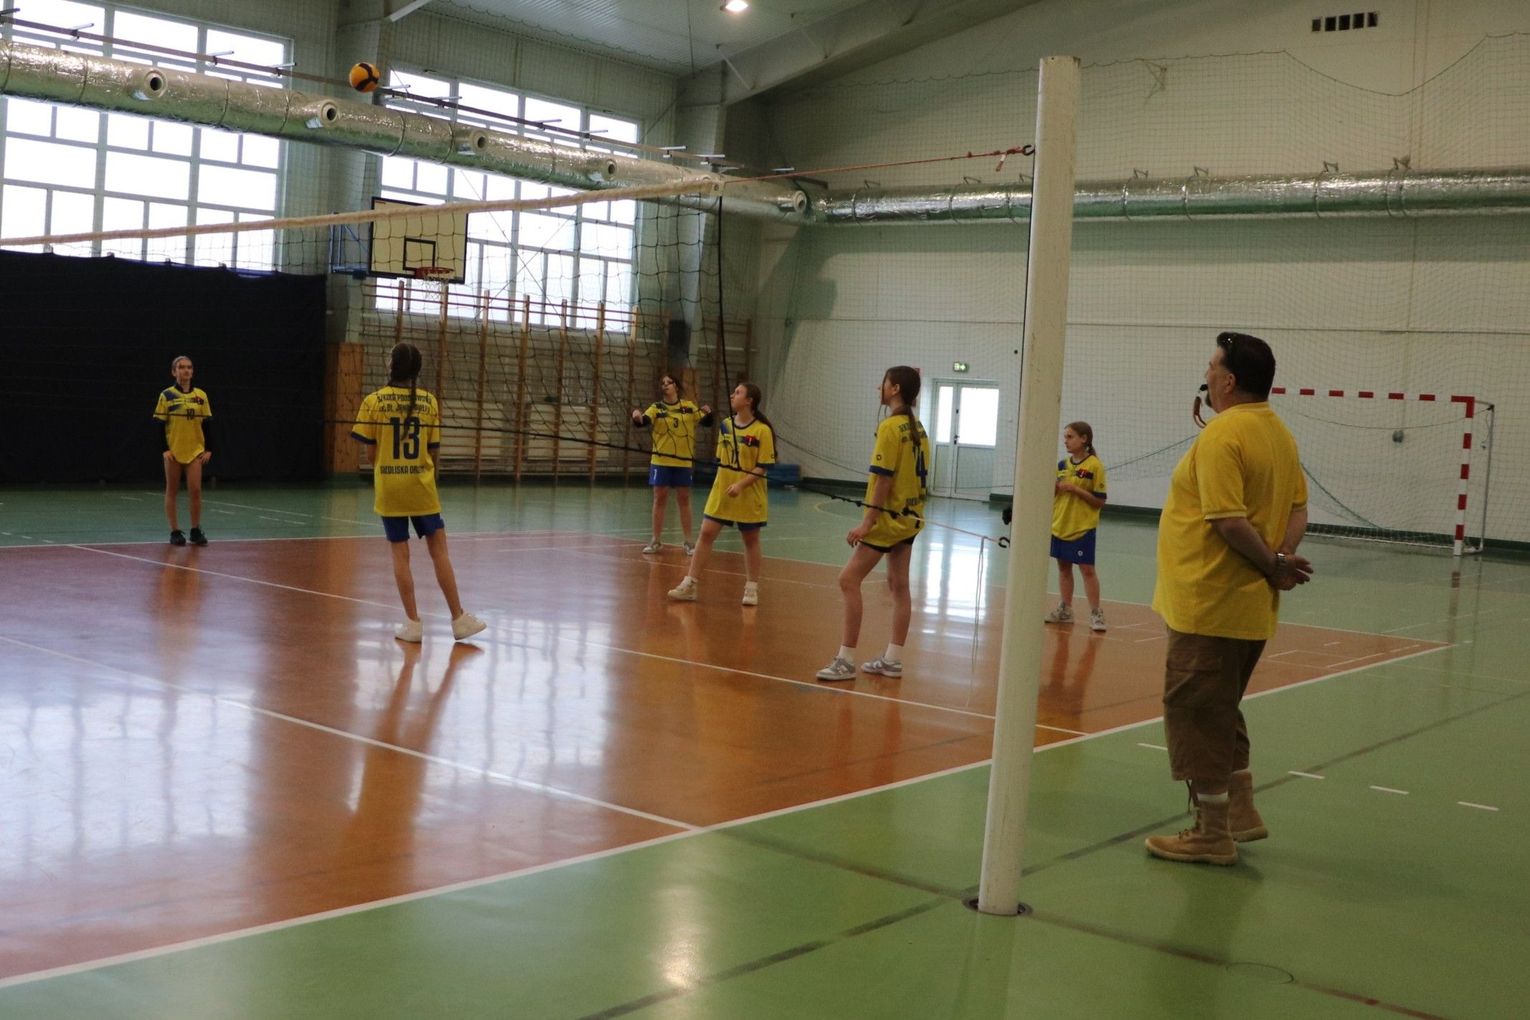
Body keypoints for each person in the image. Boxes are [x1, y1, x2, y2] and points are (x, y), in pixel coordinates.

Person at [1145, 331, 1313, 866]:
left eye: (1212, 366)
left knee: (1194, 712)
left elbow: (1227, 520)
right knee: (1220, 708)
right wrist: (1281, 559)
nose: (1207, 374)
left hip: (1209, 601)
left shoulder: (1224, 434)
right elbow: (1298, 509)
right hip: (1248, 607)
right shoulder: (1278, 433)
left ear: (1229, 380)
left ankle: (1211, 832)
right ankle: (1240, 811)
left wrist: (1272, 563)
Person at [351, 342, 486, 644]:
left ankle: (412, 623)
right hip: (422, 487)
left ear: (391, 366)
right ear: (417, 370)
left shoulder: (373, 401)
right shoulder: (429, 402)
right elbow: (433, 451)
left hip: (390, 488)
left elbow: (370, 455)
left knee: (400, 555)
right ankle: (458, 618)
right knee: (440, 551)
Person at [816, 366, 931, 682]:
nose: (878, 388)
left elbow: (883, 479)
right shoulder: (918, 428)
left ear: (894, 389)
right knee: (899, 585)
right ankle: (893, 659)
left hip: (887, 520)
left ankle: (845, 660)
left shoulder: (890, 427)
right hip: (910, 517)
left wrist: (867, 523)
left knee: (848, 580)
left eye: (883, 383)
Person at [667, 382, 775, 606]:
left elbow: (762, 467)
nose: (732, 395)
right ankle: (690, 584)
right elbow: (721, 460)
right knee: (706, 533)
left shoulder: (762, 430)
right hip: (723, 491)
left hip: (748, 493)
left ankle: (751, 588)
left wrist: (741, 485)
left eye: (738, 393)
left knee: (750, 539)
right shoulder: (726, 425)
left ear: (749, 401)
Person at [630, 374, 713, 556]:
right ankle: (655, 540)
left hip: (683, 460)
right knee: (659, 498)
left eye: (669, 382)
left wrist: (708, 412)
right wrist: (636, 417)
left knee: (684, 499)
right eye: (663, 383)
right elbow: (643, 422)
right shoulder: (656, 408)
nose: (666, 385)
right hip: (661, 460)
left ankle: (689, 542)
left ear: (676, 386)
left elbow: (707, 422)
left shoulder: (688, 407)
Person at [1044, 421, 1109, 632]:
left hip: (1082, 527)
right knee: (1063, 568)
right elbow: (1054, 493)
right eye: (1065, 437)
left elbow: (1100, 501)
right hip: (1060, 524)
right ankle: (1066, 609)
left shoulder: (1094, 466)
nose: (1066, 441)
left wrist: (1075, 489)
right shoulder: (1062, 465)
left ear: (1084, 439)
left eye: (1070, 437)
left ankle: (1096, 613)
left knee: (1087, 570)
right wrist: (1053, 487)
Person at [154, 355, 214, 547]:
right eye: (181, 367)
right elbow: (159, 424)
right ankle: (174, 531)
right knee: (172, 490)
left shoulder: (201, 396)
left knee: (195, 490)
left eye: (189, 367)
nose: (186, 370)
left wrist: (209, 448)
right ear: (174, 372)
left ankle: (195, 530)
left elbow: (208, 423)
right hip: (174, 451)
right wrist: (165, 449)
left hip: (195, 451)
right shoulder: (167, 395)